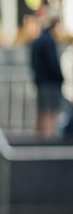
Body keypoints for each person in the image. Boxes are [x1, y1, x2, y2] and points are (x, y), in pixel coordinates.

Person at [31, 9, 64, 139]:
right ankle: (47, 142)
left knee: (42, 113)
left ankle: (39, 140)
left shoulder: (38, 40)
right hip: (50, 83)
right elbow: (52, 64)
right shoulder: (48, 41)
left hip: (41, 82)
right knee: (49, 114)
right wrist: (60, 77)